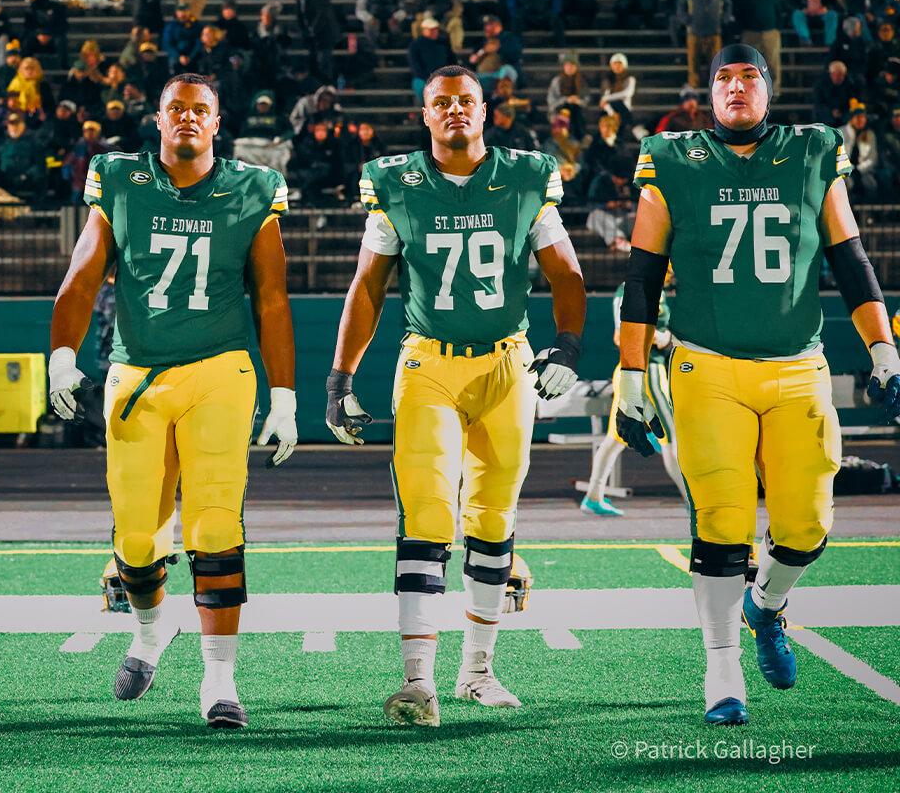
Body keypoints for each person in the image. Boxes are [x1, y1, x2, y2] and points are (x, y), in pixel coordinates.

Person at [616, 45, 900, 727]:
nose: (736, 88)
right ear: (707, 96)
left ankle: (765, 605)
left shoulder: (810, 151)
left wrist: (883, 346)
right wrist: (630, 375)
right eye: (723, 79)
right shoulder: (672, 159)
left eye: (749, 77)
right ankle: (722, 670)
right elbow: (642, 275)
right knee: (722, 520)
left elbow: (850, 258)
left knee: (807, 522)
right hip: (706, 364)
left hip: (798, 363)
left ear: (769, 91)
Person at [327, 65, 586, 727]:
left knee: (494, 520)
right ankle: (419, 684)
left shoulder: (527, 176)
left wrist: (568, 345)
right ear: (424, 114)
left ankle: (477, 672)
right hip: (429, 364)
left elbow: (565, 273)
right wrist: (340, 376)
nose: (453, 111)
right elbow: (367, 286)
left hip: (508, 364)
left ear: (486, 110)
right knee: (428, 518)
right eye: (440, 103)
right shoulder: (397, 183)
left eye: (464, 101)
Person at [47, 73, 297, 729]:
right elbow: (81, 276)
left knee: (215, 525)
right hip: (137, 375)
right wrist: (62, 356)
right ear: (157, 120)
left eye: (200, 110)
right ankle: (152, 633)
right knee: (136, 539)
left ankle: (220, 681)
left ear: (218, 122)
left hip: (219, 369)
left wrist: (285, 393)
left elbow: (272, 297)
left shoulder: (252, 189)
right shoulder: (120, 180)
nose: (187, 118)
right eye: (175, 109)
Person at [580, 277, 684, 516]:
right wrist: (661, 338)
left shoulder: (654, 288)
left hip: (634, 370)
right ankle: (695, 501)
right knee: (671, 437)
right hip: (645, 371)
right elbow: (622, 336)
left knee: (615, 439)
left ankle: (593, 496)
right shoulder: (635, 287)